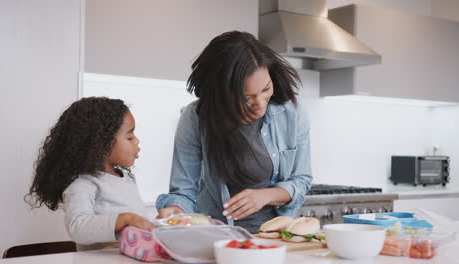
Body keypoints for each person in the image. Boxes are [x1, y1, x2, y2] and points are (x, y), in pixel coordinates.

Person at [156, 31, 313, 233]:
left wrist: (265, 195)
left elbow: (302, 179)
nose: (260, 104)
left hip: (276, 237)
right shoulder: (196, 118)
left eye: (266, 89)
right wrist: (175, 210)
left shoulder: (292, 112)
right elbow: (184, 191)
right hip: (217, 235)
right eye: (247, 97)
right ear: (220, 94)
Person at [26, 97, 154, 250]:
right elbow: (77, 227)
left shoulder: (125, 179)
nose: (137, 141)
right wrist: (124, 219)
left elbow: (136, 221)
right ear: (102, 143)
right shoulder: (83, 183)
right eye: (129, 137)